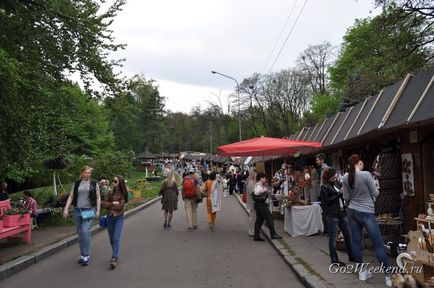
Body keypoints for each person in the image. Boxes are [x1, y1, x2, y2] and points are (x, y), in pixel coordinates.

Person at [343, 154, 391, 287]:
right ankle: (388, 276)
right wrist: (375, 185)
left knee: (356, 242)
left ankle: (362, 272)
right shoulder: (366, 175)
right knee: (378, 244)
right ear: (359, 162)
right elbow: (375, 193)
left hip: (352, 211)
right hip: (366, 211)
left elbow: (346, 197)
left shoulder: (345, 177)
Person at [63, 165, 101, 266]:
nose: (87, 174)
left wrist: (98, 210)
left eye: (89, 173)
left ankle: (86, 255)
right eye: (86, 173)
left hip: (89, 211)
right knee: (80, 233)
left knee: (85, 231)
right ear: (82, 173)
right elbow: (71, 197)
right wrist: (66, 208)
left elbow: (98, 198)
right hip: (78, 211)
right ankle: (82, 254)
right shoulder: (76, 184)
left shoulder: (94, 184)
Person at [320, 167, 354, 267]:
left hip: (341, 212)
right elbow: (326, 202)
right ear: (328, 177)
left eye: (335, 176)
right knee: (333, 237)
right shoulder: (324, 187)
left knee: (348, 234)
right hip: (332, 214)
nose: (335, 178)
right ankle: (334, 260)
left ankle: (351, 255)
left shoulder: (337, 184)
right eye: (333, 177)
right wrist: (339, 194)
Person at [102, 175, 128, 269]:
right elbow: (104, 204)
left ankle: (114, 258)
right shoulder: (109, 192)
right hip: (109, 218)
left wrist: (110, 205)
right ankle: (115, 254)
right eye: (113, 181)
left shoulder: (123, 194)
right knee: (111, 239)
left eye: (116, 181)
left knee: (116, 238)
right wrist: (113, 203)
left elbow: (120, 207)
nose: (114, 182)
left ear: (120, 182)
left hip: (118, 218)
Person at [253, 172, 282, 241]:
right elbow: (256, 192)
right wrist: (264, 190)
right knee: (270, 218)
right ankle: (273, 234)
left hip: (259, 204)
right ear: (261, 178)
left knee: (259, 220)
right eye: (264, 178)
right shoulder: (258, 185)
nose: (265, 179)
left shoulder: (260, 185)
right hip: (261, 204)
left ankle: (256, 236)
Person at [245, 168, 257, 237]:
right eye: (255, 174)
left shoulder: (249, 181)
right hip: (253, 201)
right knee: (253, 216)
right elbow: (253, 192)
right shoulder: (251, 182)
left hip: (251, 201)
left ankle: (251, 230)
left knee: (252, 215)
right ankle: (252, 231)